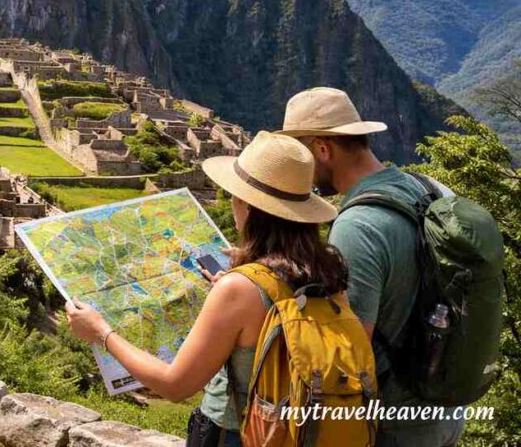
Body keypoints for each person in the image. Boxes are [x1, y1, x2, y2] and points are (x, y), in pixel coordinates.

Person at [66, 132, 355, 446]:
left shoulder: (240, 288)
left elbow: (175, 386)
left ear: (246, 205)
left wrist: (101, 332)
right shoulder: (329, 277)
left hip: (238, 435)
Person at [278, 87, 464, 445]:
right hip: (446, 407)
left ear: (322, 148)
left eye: (302, 155)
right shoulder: (432, 189)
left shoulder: (356, 225)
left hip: (397, 423)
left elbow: (349, 353)